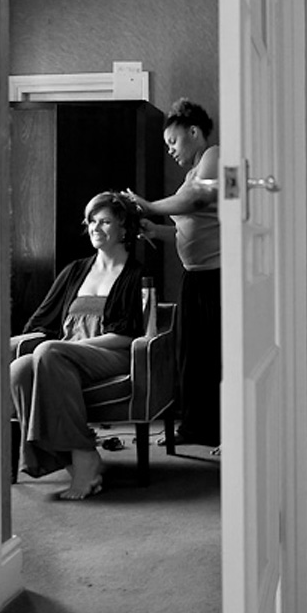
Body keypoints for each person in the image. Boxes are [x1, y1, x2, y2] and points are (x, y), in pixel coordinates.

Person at [10, 191, 144, 500]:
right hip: (62, 357)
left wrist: (69, 348)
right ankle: (70, 461)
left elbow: (128, 335)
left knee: (49, 352)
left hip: (112, 355)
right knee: (19, 369)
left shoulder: (135, 275)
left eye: (105, 221)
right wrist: (53, 346)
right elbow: (43, 321)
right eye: (92, 222)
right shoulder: (75, 271)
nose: (96, 228)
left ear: (124, 228)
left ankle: (84, 453)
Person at [123, 98, 221, 449]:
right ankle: (197, 427)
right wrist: (154, 228)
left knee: (212, 355)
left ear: (194, 132)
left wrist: (148, 205)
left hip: (216, 277)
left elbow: (197, 200)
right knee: (191, 356)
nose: (170, 151)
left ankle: (219, 429)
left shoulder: (215, 157)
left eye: (173, 142)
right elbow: (187, 230)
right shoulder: (190, 174)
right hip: (195, 277)